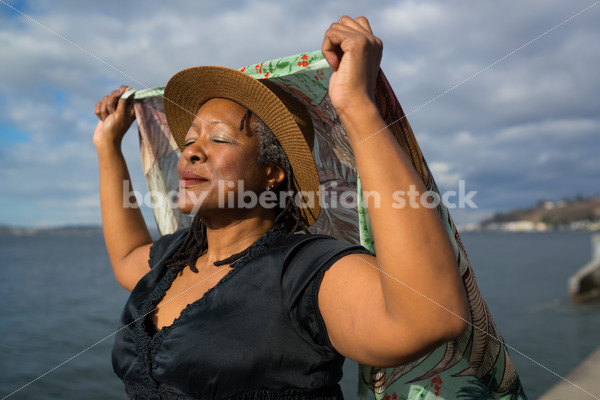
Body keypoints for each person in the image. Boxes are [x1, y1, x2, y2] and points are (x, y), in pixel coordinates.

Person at [94, 16, 469, 400]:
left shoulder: (305, 270)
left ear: (271, 173)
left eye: (219, 139)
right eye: (189, 140)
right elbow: (125, 258)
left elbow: (431, 315)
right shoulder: (175, 258)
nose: (190, 151)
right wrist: (108, 147)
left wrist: (356, 106)